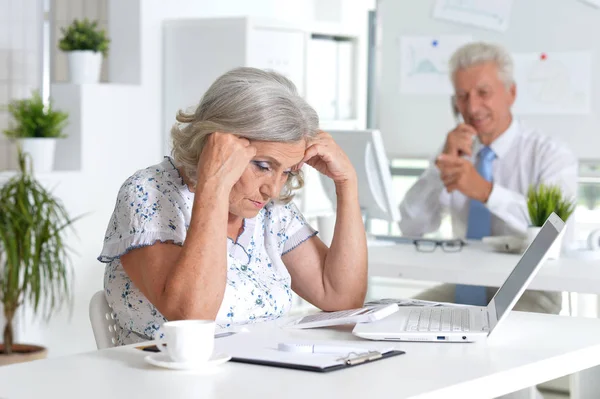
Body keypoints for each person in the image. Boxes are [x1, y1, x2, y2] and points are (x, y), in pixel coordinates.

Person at [98, 67, 368, 345]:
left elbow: (341, 298)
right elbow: (192, 317)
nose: (273, 189)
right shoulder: (149, 192)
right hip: (164, 382)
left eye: (286, 171)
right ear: (217, 145)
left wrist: (346, 184)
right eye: (263, 166)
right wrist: (213, 183)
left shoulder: (270, 210)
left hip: (262, 378)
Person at [399, 42, 578, 314]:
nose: (471, 107)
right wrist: (440, 168)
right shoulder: (456, 151)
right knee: (402, 316)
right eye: (462, 95)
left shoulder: (549, 153)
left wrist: (486, 191)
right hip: (466, 284)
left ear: (511, 93)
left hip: (529, 290)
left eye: (484, 93)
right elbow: (411, 226)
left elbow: (555, 233)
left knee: (494, 344)